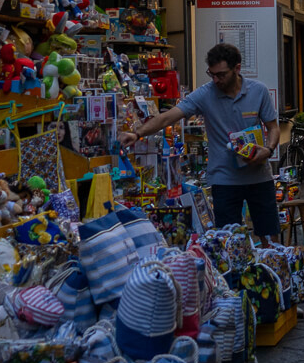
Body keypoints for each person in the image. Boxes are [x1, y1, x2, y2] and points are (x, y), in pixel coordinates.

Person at [120, 43, 280, 238]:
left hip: (259, 177)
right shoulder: (205, 94)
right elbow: (168, 117)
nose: (215, 80)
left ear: (237, 69)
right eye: (211, 74)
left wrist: (269, 149)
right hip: (224, 180)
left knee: (269, 236)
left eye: (221, 74)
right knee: (229, 240)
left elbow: (273, 127)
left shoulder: (258, 91)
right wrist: (137, 134)